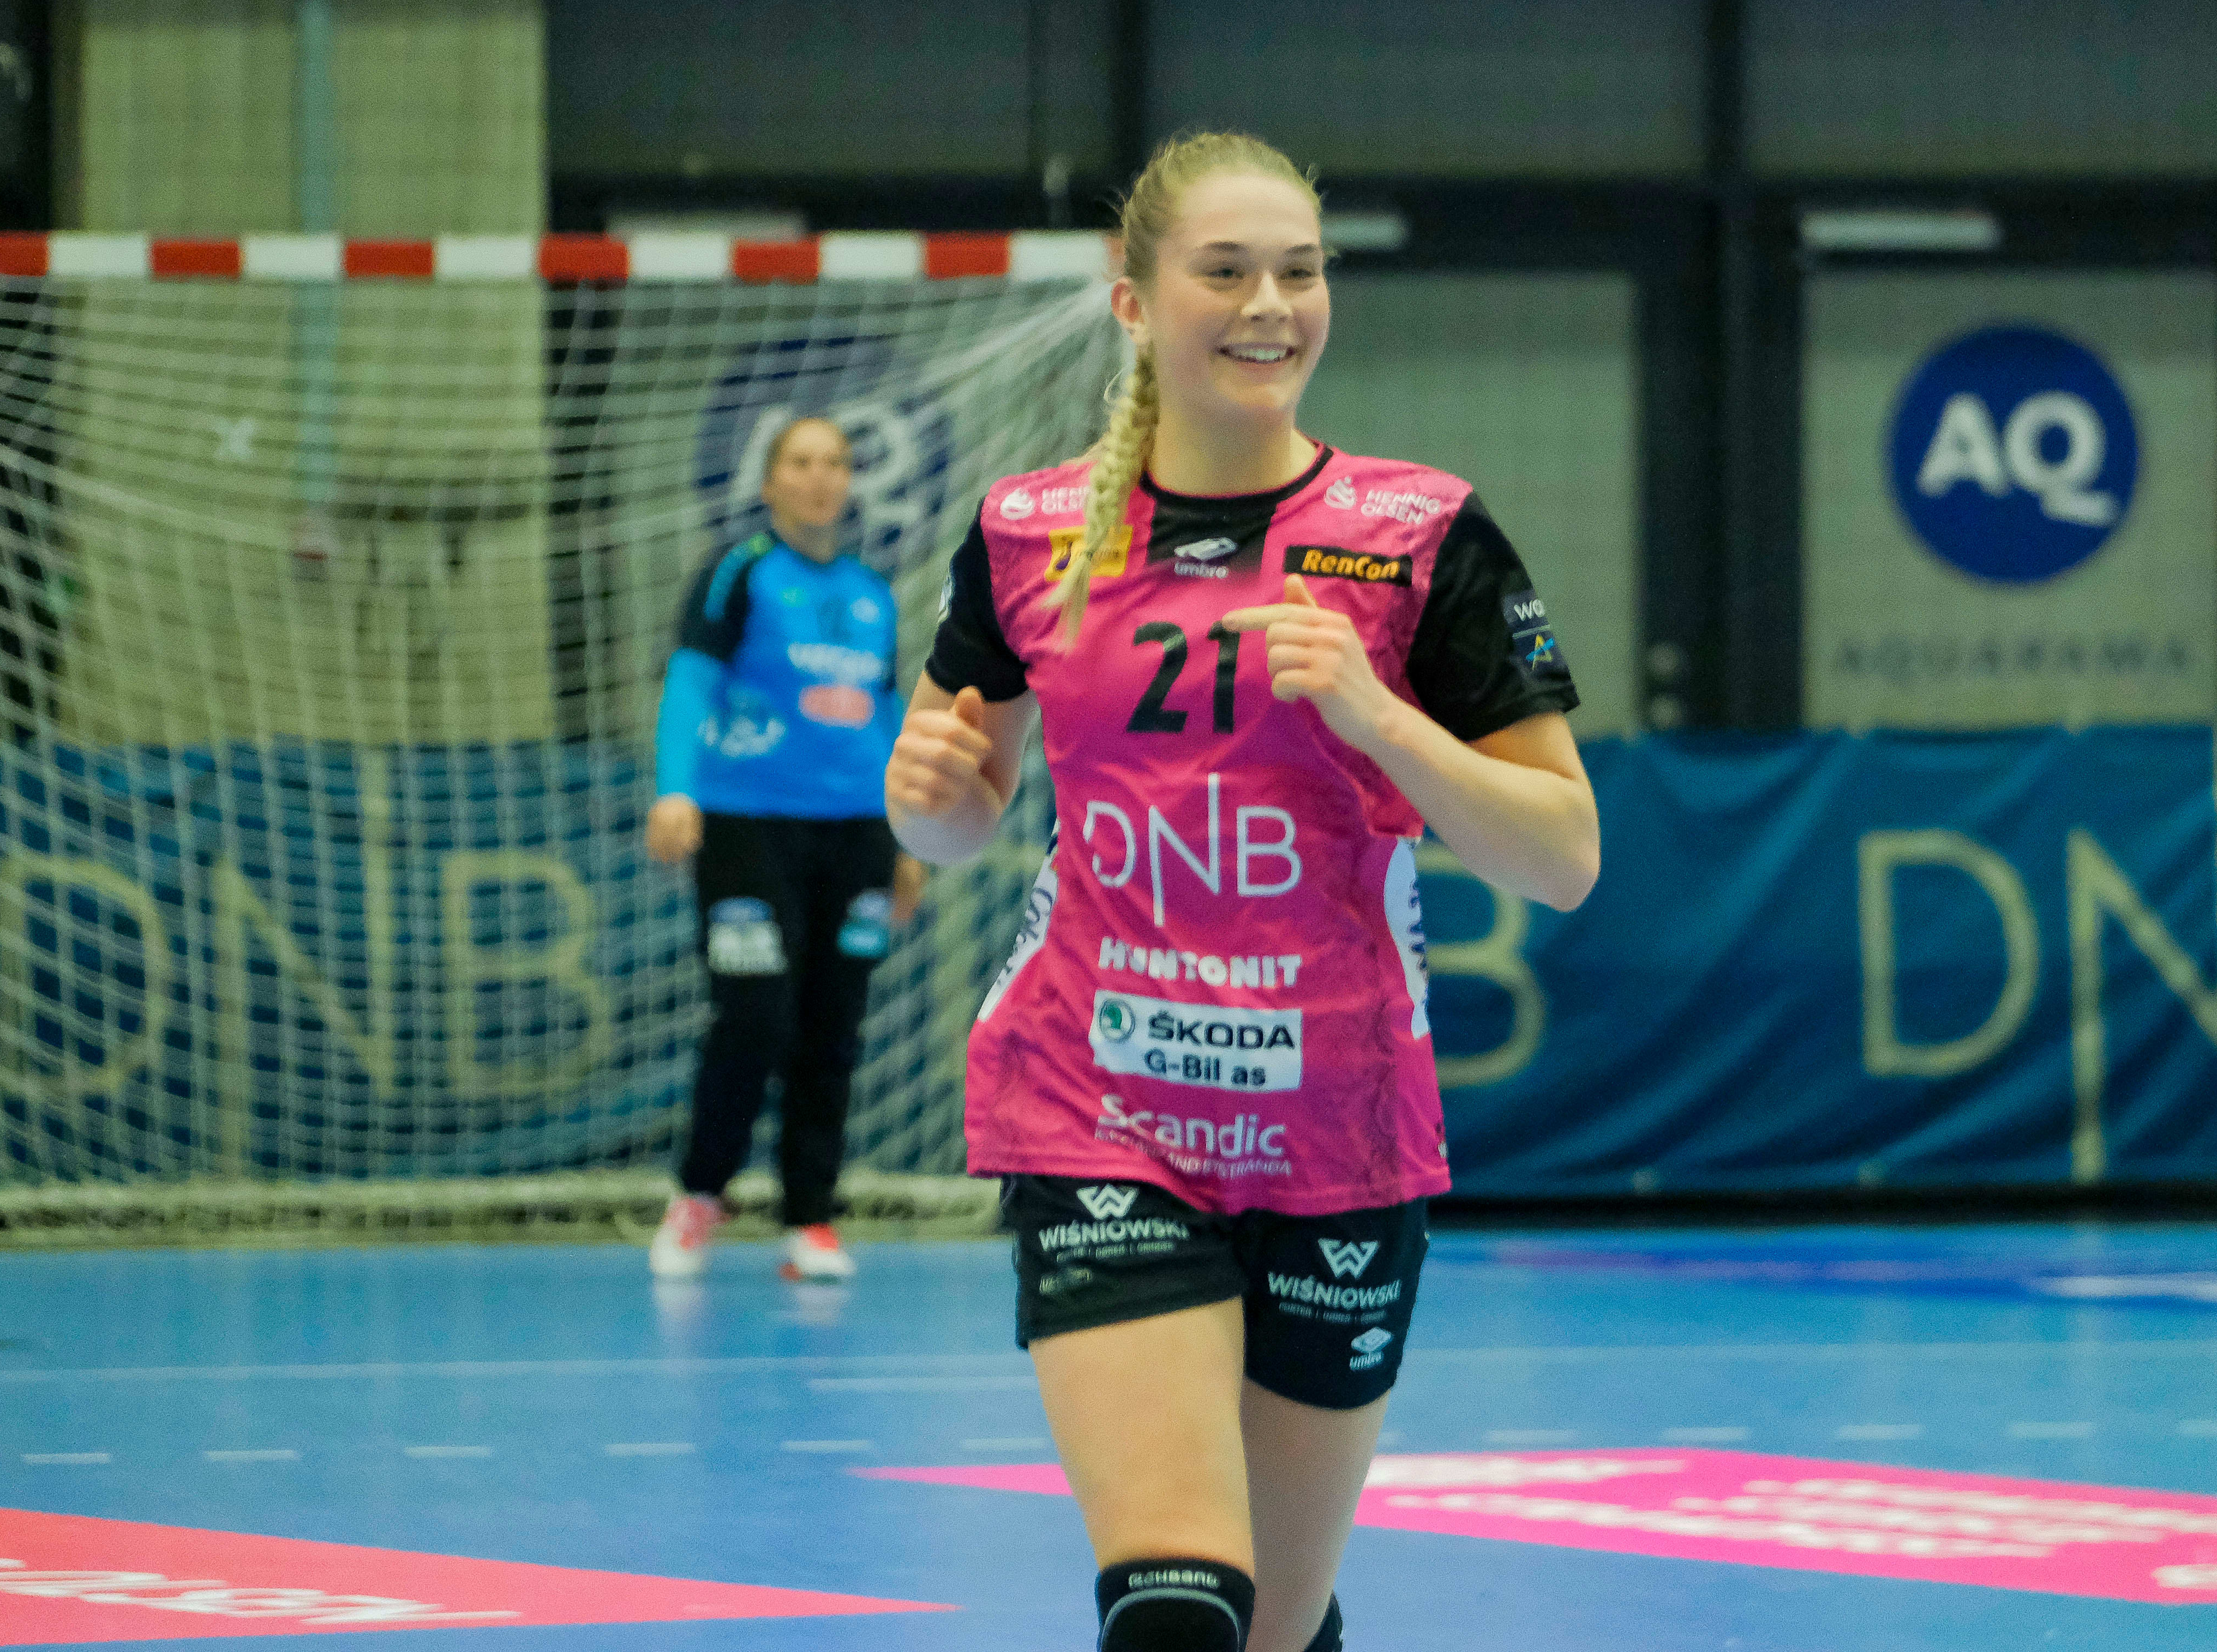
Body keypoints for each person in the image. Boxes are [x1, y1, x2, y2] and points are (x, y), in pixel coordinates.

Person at [885, 133, 1599, 1652]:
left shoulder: (1422, 536)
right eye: (1225, 271)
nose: (1271, 304)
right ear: (1134, 301)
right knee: (1176, 1603)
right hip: (1100, 1107)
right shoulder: (1029, 532)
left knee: (1275, 1624)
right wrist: (933, 803)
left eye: (1299, 270)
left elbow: (1562, 857)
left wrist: (1382, 719)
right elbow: (951, 814)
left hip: (1339, 1130)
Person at [646, 414, 925, 1282]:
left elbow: (885, 716)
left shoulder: (873, 594)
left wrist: (907, 835)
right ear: (769, 482)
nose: (820, 476)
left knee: (833, 1024)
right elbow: (691, 679)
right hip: (747, 823)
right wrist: (675, 788)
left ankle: (810, 1218)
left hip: (857, 831)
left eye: (835, 462)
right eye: (801, 462)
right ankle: (700, 1193)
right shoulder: (740, 571)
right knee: (755, 1013)